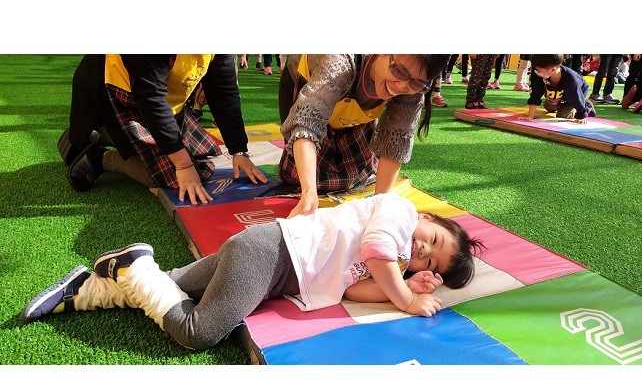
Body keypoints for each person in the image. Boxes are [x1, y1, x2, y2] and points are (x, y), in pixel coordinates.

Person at [21, 193, 484, 351]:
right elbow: (379, 249)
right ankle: (134, 264)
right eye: (433, 239)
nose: (422, 250)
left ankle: (84, 289)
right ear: (429, 218)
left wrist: (402, 284)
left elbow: (355, 291)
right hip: (269, 256)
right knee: (198, 332)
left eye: (429, 262)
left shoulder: (392, 264)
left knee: (174, 284)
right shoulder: (399, 212)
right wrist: (407, 297)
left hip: (265, 257)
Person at [57, 55, 268, 205]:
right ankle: (99, 155)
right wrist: (183, 165)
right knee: (168, 176)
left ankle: (108, 137)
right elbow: (151, 99)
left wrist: (238, 151)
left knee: (202, 155)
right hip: (116, 95)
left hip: (164, 102)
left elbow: (224, 94)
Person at [277, 54, 449, 218]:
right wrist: (309, 193)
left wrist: (379, 204)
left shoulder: (414, 87)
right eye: (399, 72)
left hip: (353, 109)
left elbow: (395, 141)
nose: (402, 86)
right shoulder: (338, 61)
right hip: (308, 92)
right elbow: (306, 123)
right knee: (305, 177)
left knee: (358, 175)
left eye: (417, 83)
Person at [518, 54, 596, 124]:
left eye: (539, 71)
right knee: (548, 107)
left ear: (553, 70)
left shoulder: (570, 79)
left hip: (576, 94)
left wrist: (581, 116)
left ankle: (587, 106)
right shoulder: (543, 75)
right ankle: (559, 104)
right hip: (558, 94)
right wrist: (530, 116)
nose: (538, 73)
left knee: (562, 115)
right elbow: (536, 94)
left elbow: (576, 98)